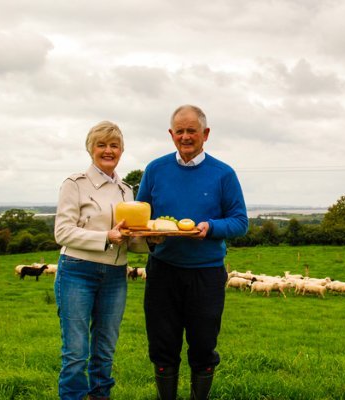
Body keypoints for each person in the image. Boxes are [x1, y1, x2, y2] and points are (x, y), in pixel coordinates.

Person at [136, 105, 248, 400]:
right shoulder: (155, 170)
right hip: (163, 271)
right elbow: (140, 218)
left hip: (207, 273)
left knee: (202, 346)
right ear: (171, 134)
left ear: (205, 134)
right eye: (180, 131)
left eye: (192, 131)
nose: (185, 137)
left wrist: (210, 227)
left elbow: (240, 222)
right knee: (163, 346)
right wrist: (151, 236)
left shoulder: (223, 174)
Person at [54, 121, 132, 400]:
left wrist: (150, 240)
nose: (108, 150)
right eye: (101, 145)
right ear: (91, 149)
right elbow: (62, 232)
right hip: (77, 271)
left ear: (121, 150)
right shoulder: (74, 184)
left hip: (115, 274)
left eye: (114, 145)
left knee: (105, 349)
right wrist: (106, 237)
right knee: (76, 352)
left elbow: (128, 238)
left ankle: (100, 396)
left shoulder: (127, 190)